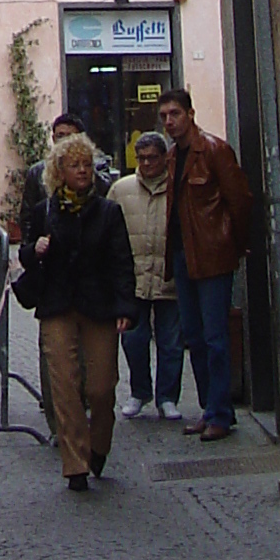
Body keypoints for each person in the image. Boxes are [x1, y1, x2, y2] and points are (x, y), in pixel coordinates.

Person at [15, 131, 136, 492]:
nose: (82, 171)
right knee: (64, 386)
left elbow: (122, 263)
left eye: (86, 165)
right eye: (74, 165)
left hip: (98, 306)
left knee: (101, 387)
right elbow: (25, 255)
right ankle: (75, 464)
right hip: (57, 305)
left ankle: (99, 444)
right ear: (59, 170)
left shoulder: (109, 212)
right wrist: (33, 249)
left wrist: (126, 306)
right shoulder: (44, 212)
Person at [157, 89, 252, 440]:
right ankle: (209, 407)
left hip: (212, 254)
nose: (169, 121)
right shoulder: (171, 157)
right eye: (164, 115)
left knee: (215, 337)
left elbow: (239, 200)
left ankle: (221, 414)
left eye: (175, 114)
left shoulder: (213, 150)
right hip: (183, 254)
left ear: (190, 114)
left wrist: (236, 245)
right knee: (194, 337)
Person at [109, 129, 184, 420]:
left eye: (153, 158)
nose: (147, 163)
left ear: (165, 158)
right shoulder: (121, 189)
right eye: (141, 158)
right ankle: (140, 392)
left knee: (170, 342)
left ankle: (168, 397)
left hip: (169, 277)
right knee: (133, 340)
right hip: (134, 279)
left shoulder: (178, 188)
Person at [20, 112, 108, 238]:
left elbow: (105, 189)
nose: (64, 142)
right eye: (60, 136)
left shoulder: (96, 166)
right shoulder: (37, 172)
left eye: (70, 136)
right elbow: (27, 217)